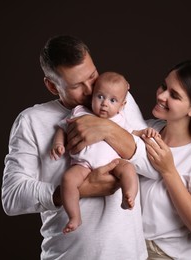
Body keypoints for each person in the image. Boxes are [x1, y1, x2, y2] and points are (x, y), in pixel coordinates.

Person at [1, 35, 148, 260]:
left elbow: (155, 166)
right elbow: (11, 197)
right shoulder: (31, 121)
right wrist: (78, 190)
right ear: (52, 85)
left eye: (92, 76)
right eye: (77, 85)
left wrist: (108, 129)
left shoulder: (117, 99)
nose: (90, 90)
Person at [130, 60, 191, 260]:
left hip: (177, 256)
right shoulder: (145, 129)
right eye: (164, 86)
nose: (162, 95)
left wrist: (168, 171)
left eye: (174, 95)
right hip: (135, 250)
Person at [50, 71, 139, 234]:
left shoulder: (120, 118)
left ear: (122, 105)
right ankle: (75, 216)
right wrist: (58, 144)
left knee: (128, 169)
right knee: (68, 179)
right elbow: (62, 128)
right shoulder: (79, 111)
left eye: (112, 100)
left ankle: (129, 196)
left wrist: (144, 133)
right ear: (92, 95)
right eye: (100, 97)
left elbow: (132, 135)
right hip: (83, 164)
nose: (105, 104)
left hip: (114, 163)